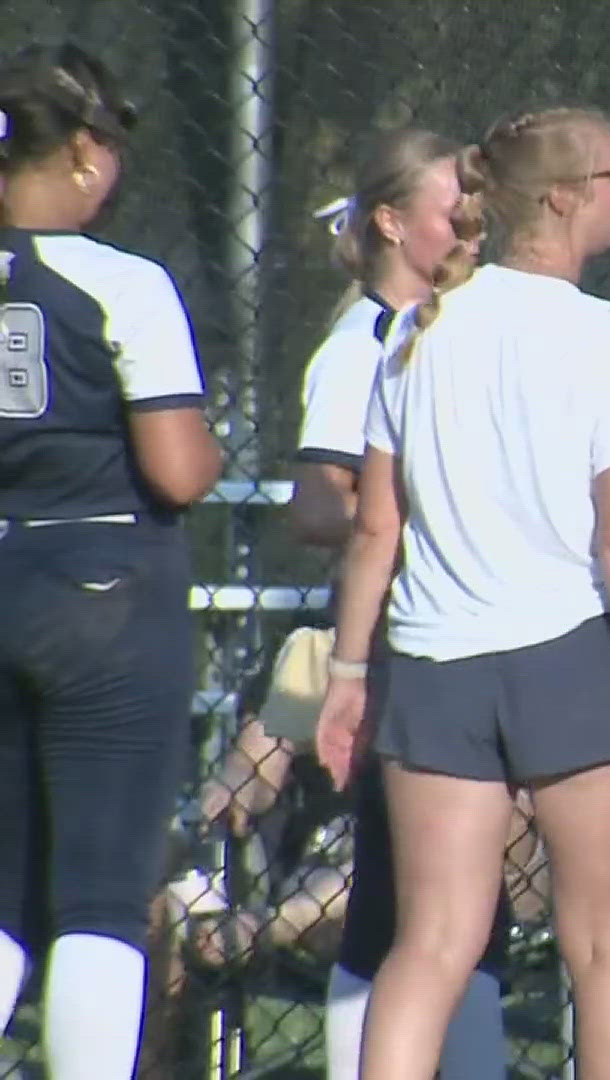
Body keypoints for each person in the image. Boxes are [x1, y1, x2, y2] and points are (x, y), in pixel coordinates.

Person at [312, 106, 610, 1080]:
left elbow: (375, 526)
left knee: (431, 944)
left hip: (436, 660)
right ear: (566, 198)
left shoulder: (417, 329)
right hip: (571, 655)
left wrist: (351, 673)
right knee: (607, 947)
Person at [0, 42, 222, 1076]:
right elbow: (176, 471)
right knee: (98, 891)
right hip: (102, 588)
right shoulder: (120, 283)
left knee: (3, 888)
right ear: (85, 155)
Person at [282, 126, 515, 1080]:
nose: (472, 221)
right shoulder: (366, 341)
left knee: (459, 903)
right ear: (389, 220)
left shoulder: (456, 327)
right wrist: (420, 518)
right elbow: (316, 504)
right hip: (398, 642)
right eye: (450, 205)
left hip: (461, 635)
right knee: (398, 904)